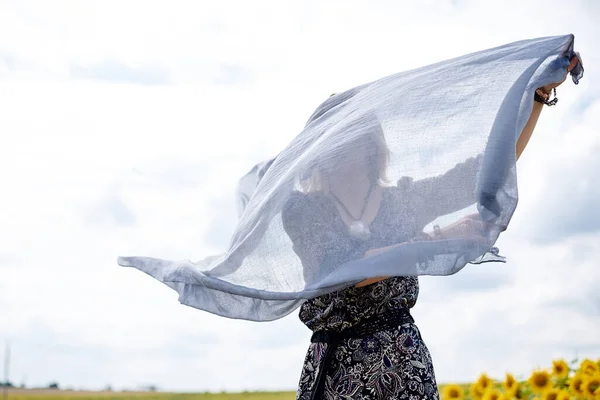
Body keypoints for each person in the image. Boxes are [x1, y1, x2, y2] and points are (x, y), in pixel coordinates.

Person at [280, 56, 581, 400]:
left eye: (350, 136)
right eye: (331, 140)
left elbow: (483, 171)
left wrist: (538, 97)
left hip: (402, 364)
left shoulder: (401, 200)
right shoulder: (303, 210)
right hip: (335, 373)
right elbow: (348, 270)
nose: (340, 148)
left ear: (369, 143)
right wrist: (438, 239)